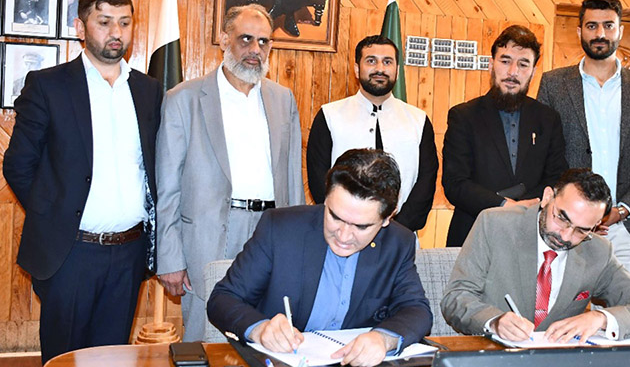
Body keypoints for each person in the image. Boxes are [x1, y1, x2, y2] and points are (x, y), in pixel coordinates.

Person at [3, 0, 162, 363]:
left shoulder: (149, 90)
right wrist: (55, 215)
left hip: (129, 254)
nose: (116, 33)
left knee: (112, 359)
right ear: (80, 27)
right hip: (70, 253)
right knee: (66, 359)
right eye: (104, 22)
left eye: (124, 23)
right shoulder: (48, 86)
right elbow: (18, 165)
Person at [156, 3, 304, 341]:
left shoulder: (283, 99)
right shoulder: (184, 99)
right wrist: (169, 257)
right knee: (207, 337)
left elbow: (293, 182)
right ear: (225, 39)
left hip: (271, 232)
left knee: (270, 335)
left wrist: (298, 247)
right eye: (246, 39)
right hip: (209, 238)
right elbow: (167, 188)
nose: (255, 50)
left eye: (264, 42)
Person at [207, 149, 432, 367]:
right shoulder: (280, 228)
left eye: (361, 227)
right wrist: (260, 329)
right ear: (325, 199)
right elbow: (223, 298)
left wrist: (383, 339)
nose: (343, 236)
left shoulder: (398, 243)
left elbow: (416, 309)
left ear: (386, 218)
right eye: (335, 217)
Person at [442, 168, 630, 342]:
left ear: (597, 225)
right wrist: (494, 321)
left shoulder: (598, 251)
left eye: (582, 230)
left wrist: (600, 318)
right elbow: (456, 297)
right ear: (548, 197)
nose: (566, 236)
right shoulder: (495, 224)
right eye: (561, 218)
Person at [537, 0, 630, 277]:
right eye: (592, 26)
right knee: (564, 308)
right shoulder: (553, 84)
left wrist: (622, 209)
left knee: (617, 311)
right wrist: (570, 210)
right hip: (568, 223)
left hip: (623, 225)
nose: (600, 33)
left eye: (608, 25)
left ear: (620, 30)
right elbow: (543, 154)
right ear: (580, 31)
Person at [442, 25, 568, 247]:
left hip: (531, 235)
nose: (513, 72)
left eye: (523, 64)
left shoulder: (548, 119)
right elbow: (455, 183)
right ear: (491, 64)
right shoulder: (463, 116)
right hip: (474, 234)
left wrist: (529, 206)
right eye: (505, 61)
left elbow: (556, 176)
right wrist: (503, 205)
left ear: (533, 71)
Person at [306, 35, 438, 232]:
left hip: (401, 234)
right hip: (342, 233)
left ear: (397, 70)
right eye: (371, 61)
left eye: (387, 62)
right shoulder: (330, 116)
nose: (380, 69)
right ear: (357, 69)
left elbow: (427, 180)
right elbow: (319, 179)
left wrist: (397, 228)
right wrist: (347, 222)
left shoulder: (418, 120)